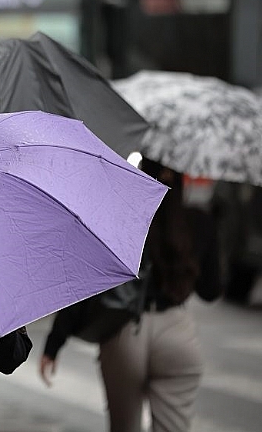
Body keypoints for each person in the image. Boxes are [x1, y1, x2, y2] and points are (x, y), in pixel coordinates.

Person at [39, 159, 221, 432]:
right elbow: (211, 290)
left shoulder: (122, 217)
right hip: (177, 333)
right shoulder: (199, 223)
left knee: (124, 427)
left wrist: (55, 343)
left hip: (125, 331)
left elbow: (88, 283)